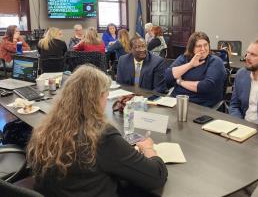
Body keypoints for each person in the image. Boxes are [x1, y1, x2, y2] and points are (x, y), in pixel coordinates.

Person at [27, 65, 168, 197]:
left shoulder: (48, 126)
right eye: (106, 97)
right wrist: (149, 149)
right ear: (97, 99)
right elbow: (157, 176)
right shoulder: (102, 136)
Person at [164, 32, 226, 107]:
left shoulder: (215, 61)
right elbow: (167, 76)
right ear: (192, 48)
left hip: (200, 105)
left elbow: (205, 86)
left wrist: (180, 82)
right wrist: (190, 65)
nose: (203, 49)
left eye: (205, 45)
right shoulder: (184, 58)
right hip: (176, 101)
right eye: (199, 46)